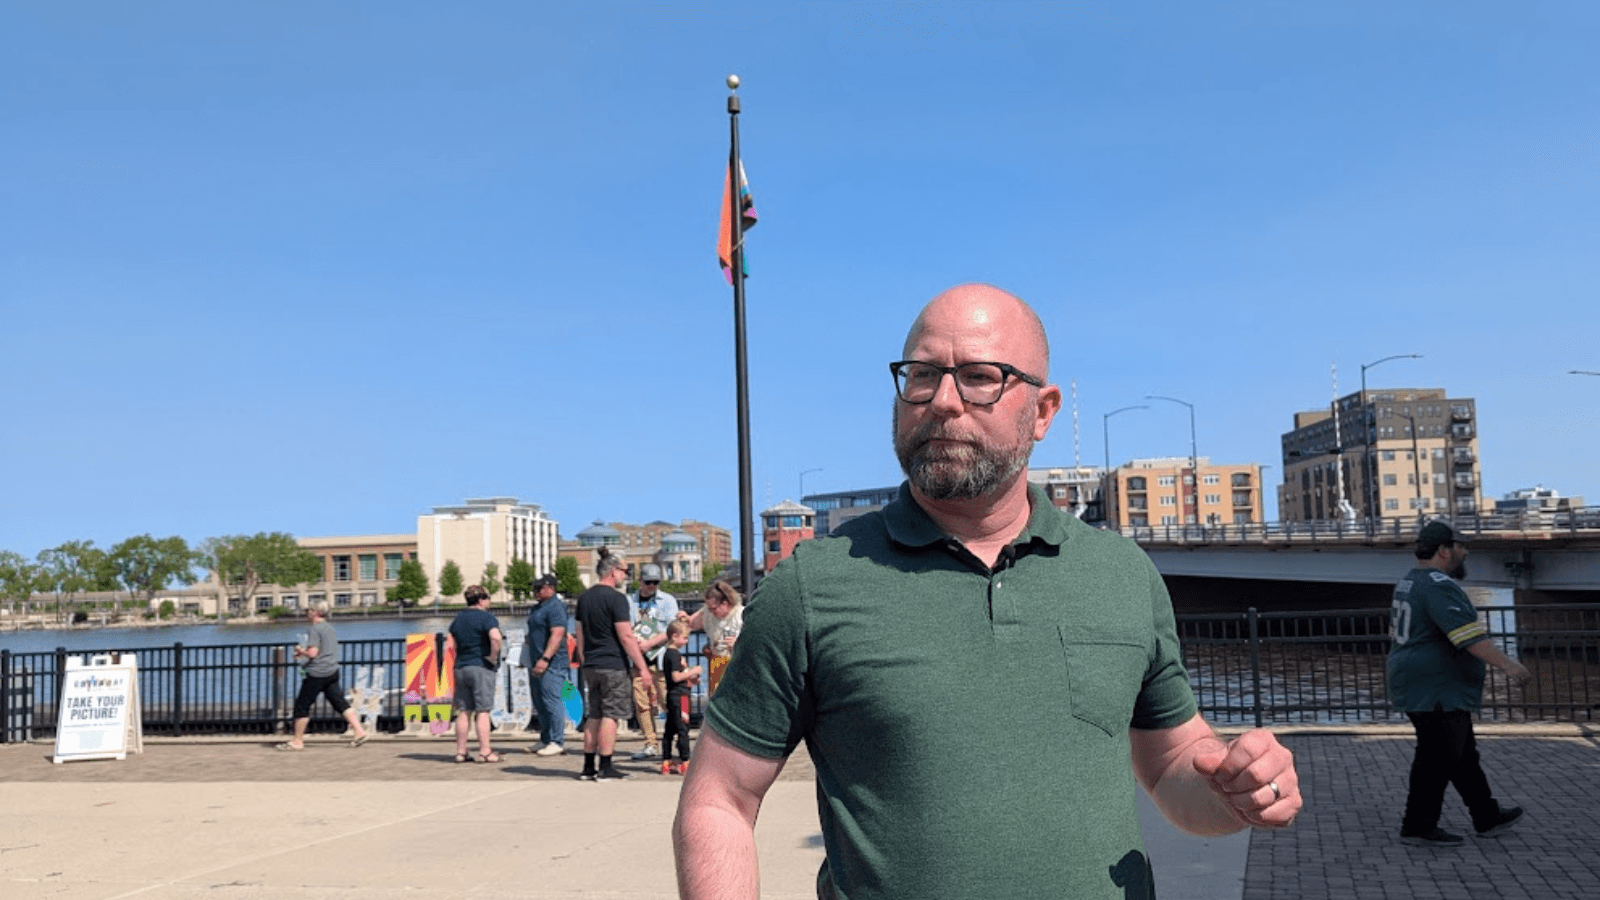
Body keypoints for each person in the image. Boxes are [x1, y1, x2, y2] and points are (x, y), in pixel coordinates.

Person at [673, 283, 1301, 900]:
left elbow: (1172, 766)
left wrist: (1231, 789)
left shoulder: (1121, 574)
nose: (943, 401)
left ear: (1043, 412)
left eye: (979, 376)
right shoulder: (814, 584)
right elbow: (720, 797)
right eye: (922, 375)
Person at [1388, 520, 1531, 847]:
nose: (1465, 552)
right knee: (1436, 759)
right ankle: (1418, 826)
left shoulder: (1408, 581)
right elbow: (1466, 637)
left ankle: (1487, 816)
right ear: (1444, 551)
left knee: (1462, 755)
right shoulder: (1439, 585)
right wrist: (1509, 666)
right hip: (1437, 688)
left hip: (1419, 684)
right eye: (1460, 547)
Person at [575, 548, 657, 781]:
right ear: (613, 571)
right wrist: (642, 667)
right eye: (624, 570)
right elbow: (626, 636)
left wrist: (584, 659)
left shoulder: (585, 598)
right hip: (613, 664)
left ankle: (588, 766)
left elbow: (579, 633)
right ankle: (606, 765)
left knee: (594, 714)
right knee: (611, 715)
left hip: (591, 664)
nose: (626, 575)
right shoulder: (617, 599)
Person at [276, 601, 369, 750]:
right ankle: (359, 731)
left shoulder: (315, 629)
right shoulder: (330, 628)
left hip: (317, 673)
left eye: (309, 610)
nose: (307, 613)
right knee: (340, 702)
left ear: (315, 612)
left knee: (302, 706)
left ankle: (297, 741)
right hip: (332, 671)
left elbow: (313, 653)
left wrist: (301, 652)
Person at [628, 562, 680, 760]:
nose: (651, 586)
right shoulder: (629, 601)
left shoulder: (667, 601)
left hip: (660, 659)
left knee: (668, 700)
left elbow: (672, 629)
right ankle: (650, 742)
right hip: (638, 659)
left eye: (655, 582)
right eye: (648, 582)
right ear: (640, 580)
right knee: (641, 703)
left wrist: (649, 643)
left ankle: (676, 739)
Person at [448, 584, 503, 764]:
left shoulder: (458, 620)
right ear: (481, 600)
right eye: (488, 597)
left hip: (461, 667)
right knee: (483, 711)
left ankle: (460, 751)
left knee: (464, 711)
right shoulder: (486, 618)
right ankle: (485, 751)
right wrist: (493, 657)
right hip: (481, 666)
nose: (489, 601)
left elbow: (449, 647)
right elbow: (495, 637)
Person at [524, 572, 570, 756]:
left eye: (538, 588)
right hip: (535, 660)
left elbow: (557, 633)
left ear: (549, 588)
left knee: (552, 701)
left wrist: (545, 658)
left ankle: (557, 741)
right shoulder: (538, 607)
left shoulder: (555, 607)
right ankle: (545, 738)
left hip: (552, 662)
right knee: (540, 702)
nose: (534, 591)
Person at [684, 580, 742, 697]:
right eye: (708, 608)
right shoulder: (708, 612)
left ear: (725, 604)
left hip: (736, 666)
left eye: (713, 608)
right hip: (717, 663)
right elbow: (690, 624)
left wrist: (738, 643)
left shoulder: (742, 615)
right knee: (716, 699)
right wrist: (683, 619)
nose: (710, 612)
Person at [659, 619, 701, 775]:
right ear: (675, 636)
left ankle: (666, 761)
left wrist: (691, 680)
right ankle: (685, 761)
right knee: (683, 728)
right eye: (685, 637)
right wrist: (693, 670)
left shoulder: (668, 654)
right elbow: (676, 677)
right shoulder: (674, 655)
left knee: (669, 729)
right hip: (681, 697)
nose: (686, 641)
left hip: (673, 694)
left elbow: (676, 679)